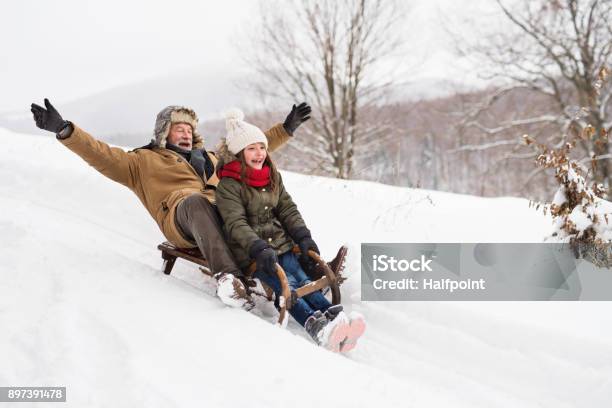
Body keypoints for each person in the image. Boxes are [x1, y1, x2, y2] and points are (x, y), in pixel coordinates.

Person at [30, 98, 312, 308]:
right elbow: (100, 154)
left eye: (189, 129)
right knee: (196, 202)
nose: (186, 133)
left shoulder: (211, 158)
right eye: (179, 129)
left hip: (223, 213)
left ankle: (303, 264)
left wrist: (286, 129)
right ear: (164, 132)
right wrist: (65, 130)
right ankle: (230, 279)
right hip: (182, 217)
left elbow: (250, 150)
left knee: (257, 199)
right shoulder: (141, 161)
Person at [214, 108, 365, 352]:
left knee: (304, 279)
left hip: (282, 246)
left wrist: (303, 236)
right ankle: (314, 324)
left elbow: (287, 209)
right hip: (255, 255)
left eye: (262, 147)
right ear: (239, 154)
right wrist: (257, 247)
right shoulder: (229, 186)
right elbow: (235, 224)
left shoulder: (271, 176)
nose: (259, 153)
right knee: (289, 287)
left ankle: (335, 318)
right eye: (251, 149)